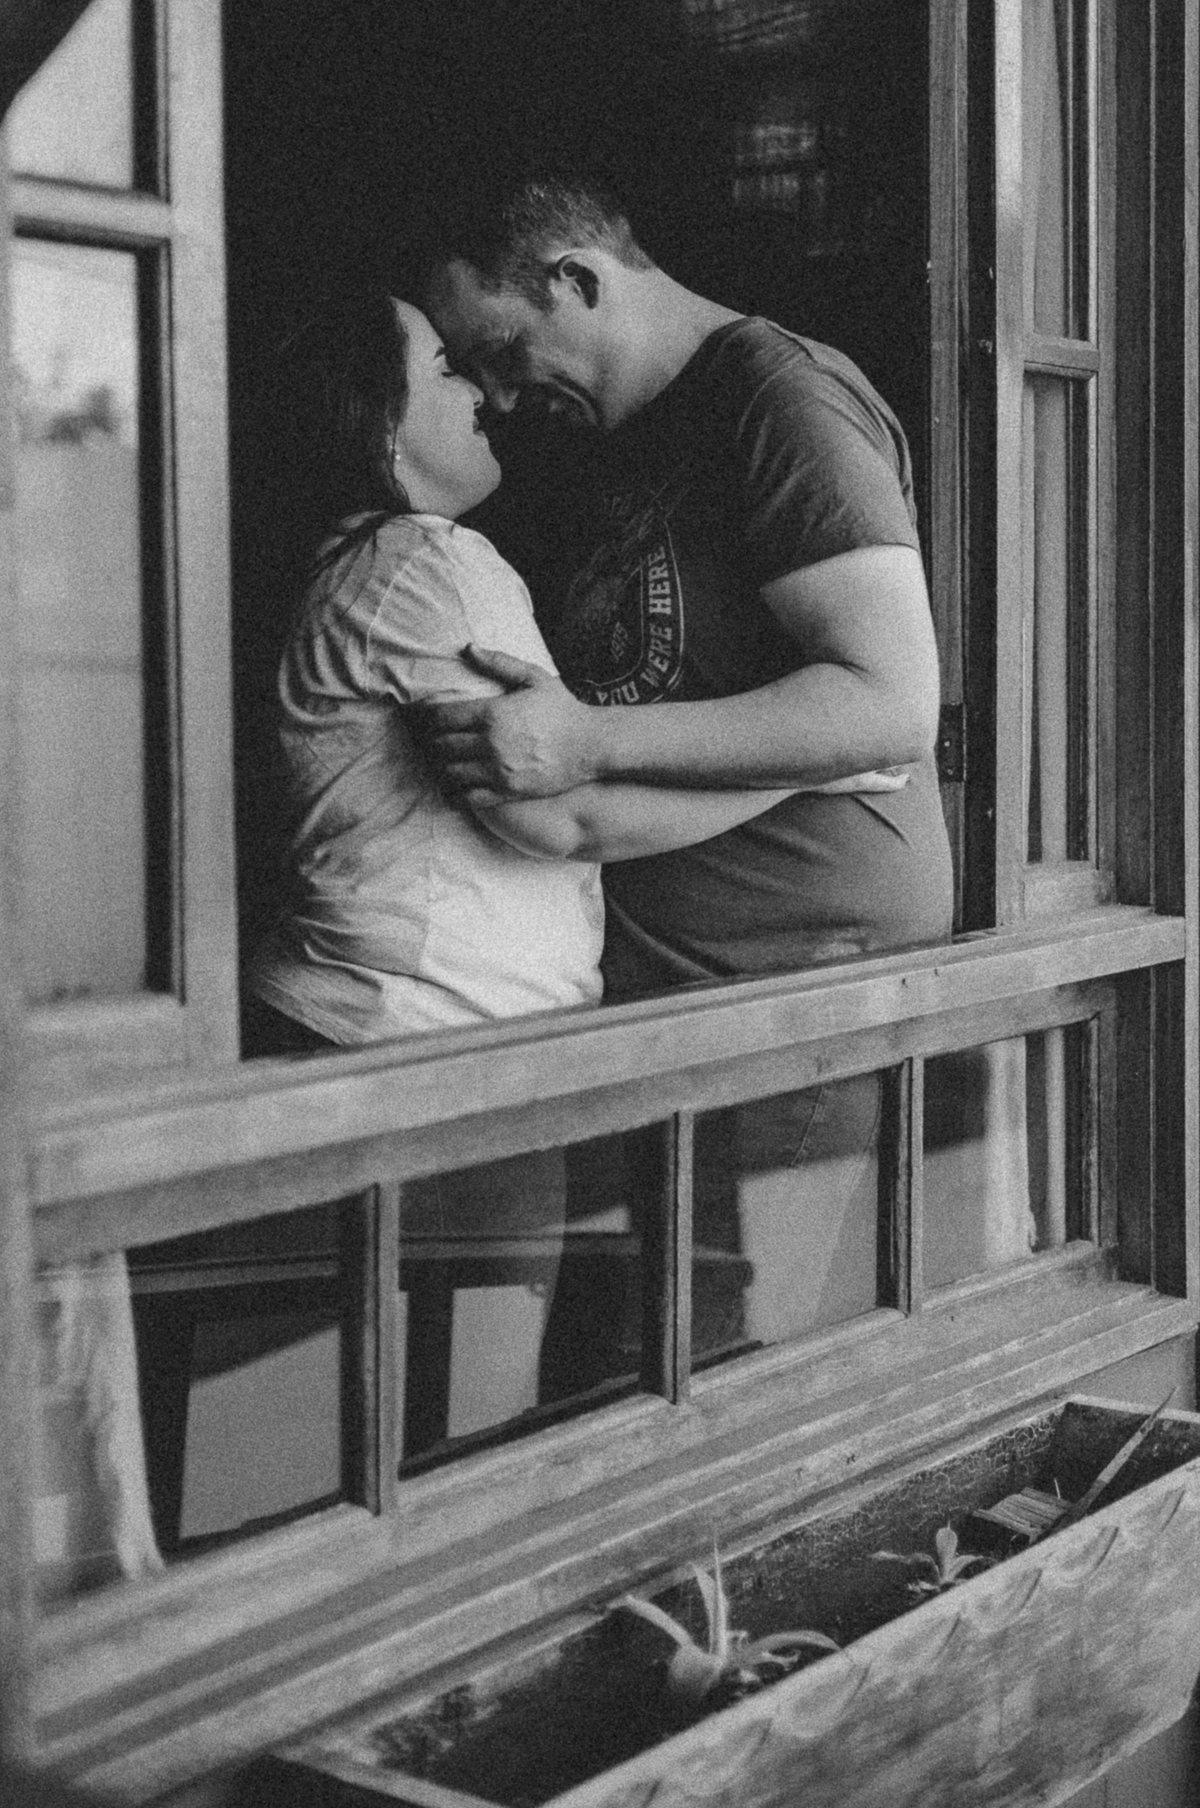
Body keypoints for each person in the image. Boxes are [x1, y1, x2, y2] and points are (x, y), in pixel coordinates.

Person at [246, 290, 900, 1430]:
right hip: (427, 1065)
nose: (482, 391)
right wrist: (816, 762)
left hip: (385, 1051)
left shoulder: (363, 563)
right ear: (379, 425)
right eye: (444, 368)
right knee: (461, 1441)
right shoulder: (429, 562)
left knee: (353, 1428)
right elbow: (561, 820)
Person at [420, 177, 954, 1365]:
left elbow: (890, 702)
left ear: (578, 281)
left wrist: (587, 741)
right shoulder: (615, 435)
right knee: (610, 1373)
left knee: (712, 1379)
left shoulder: (779, 400)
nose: (498, 395)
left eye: (503, 351)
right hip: (667, 1003)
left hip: (787, 983)